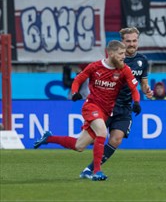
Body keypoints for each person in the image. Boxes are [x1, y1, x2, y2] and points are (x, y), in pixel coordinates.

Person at [33, 40, 141, 181]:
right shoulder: (95, 67)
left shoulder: (124, 69)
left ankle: (49, 138)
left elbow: (134, 88)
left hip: (107, 111)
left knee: (79, 145)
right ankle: (96, 172)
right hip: (92, 107)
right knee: (102, 132)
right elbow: (78, 79)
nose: (123, 56)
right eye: (120, 54)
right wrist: (75, 92)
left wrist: (137, 102)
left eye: (124, 54)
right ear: (111, 53)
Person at [79, 27, 153, 179]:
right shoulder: (116, 59)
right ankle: (57, 140)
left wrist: (146, 90)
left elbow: (143, 82)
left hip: (125, 107)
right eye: (128, 41)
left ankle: (90, 169)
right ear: (122, 42)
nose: (132, 44)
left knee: (116, 139)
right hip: (105, 105)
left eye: (134, 41)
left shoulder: (142, 61)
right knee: (84, 142)